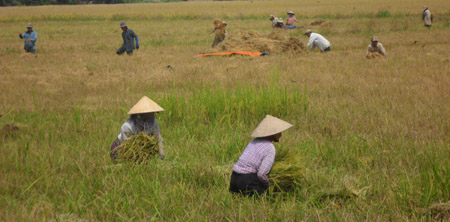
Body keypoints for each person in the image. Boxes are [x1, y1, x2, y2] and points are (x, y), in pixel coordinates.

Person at [230, 115, 293, 197]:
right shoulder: (270, 148)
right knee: (267, 201)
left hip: (234, 178)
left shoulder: (253, 142)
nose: (280, 135)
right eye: (278, 132)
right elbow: (261, 174)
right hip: (247, 180)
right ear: (272, 133)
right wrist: (270, 185)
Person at [110, 96, 165, 160]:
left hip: (141, 148)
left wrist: (161, 155)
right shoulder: (128, 126)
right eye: (145, 115)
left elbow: (158, 139)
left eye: (150, 115)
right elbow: (128, 147)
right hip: (120, 147)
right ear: (138, 115)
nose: (148, 118)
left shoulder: (154, 123)